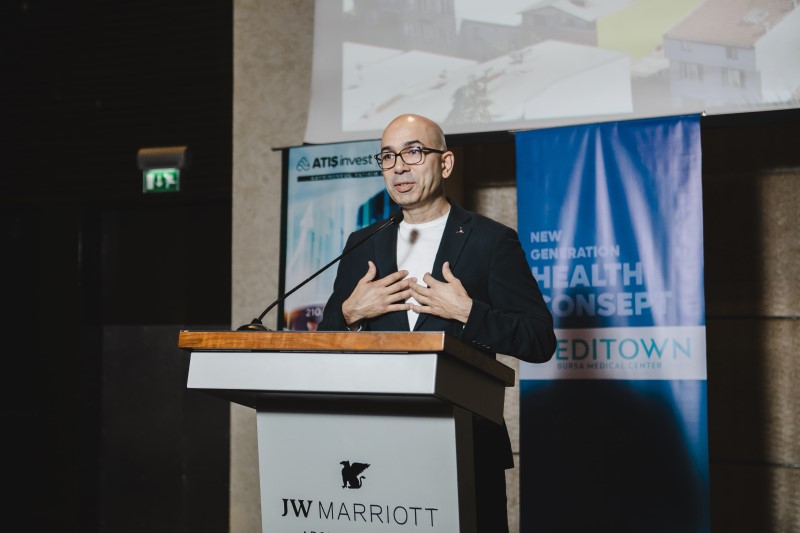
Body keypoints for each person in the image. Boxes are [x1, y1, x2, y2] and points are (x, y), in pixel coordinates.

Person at [318, 114, 556, 531]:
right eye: (388, 156)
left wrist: (468, 313)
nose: (399, 167)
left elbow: (539, 340)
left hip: (466, 444)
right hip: (376, 446)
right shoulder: (362, 244)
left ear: (445, 164)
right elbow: (327, 340)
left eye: (413, 152)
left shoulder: (491, 241)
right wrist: (350, 315)